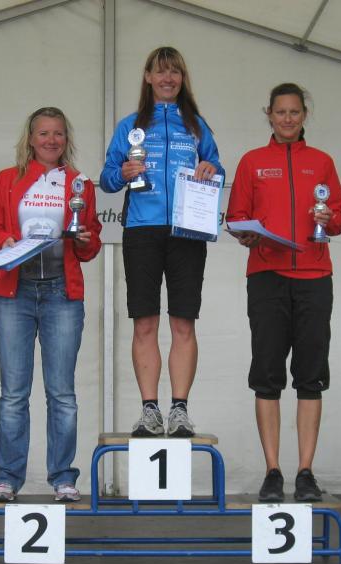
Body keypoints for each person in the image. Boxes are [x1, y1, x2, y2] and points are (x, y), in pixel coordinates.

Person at [226, 82, 341, 503]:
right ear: (270, 115)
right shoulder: (252, 162)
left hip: (314, 276)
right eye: (281, 112)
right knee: (267, 374)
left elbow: (338, 220)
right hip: (267, 276)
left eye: (295, 112)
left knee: (311, 376)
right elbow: (236, 216)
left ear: (304, 115)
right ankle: (273, 471)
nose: (288, 119)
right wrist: (246, 233)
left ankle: (306, 472)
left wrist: (328, 218)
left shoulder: (322, 162)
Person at [0, 107, 102, 503]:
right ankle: (7, 479)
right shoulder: (7, 179)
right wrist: (3, 241)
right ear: (30, 139)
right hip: (14, 292)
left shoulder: (79, 184)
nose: (52, 140)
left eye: (58, 133)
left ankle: (63, 478)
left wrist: (86, 240)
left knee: (62, 394)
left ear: (67, 139)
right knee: (14, 393)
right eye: (44, 133)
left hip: (62, 293)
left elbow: (91, 243)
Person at [100, 47, 224, 438]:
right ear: (148, 77)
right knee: (145, 322)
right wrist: (122, 172)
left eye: (175, 72)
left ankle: (180, 410)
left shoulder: (197, 125)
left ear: (182, 79)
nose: (168, 78)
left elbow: (217, 167)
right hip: (142, 230)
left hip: (187, 230)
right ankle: (150, 411)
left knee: (184, 322)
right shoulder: (130, 126)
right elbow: (106, 179)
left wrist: (211, 167)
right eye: (161, 71)